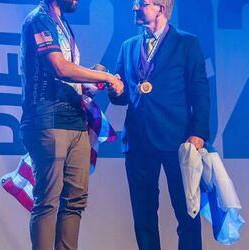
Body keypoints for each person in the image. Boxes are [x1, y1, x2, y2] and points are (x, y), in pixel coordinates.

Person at [19, 0, 123, 249]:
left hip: (76, 121)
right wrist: (105, 76)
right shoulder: (39, 19)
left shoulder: (62, 23)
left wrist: (90, 84)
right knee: (47, 201)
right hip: (47, 119)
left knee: (75, 200)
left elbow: (69, 77)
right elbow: (60, 68)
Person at [108, 0, 210, 250]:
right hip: (138, 139)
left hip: (178, 139)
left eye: (140, 3)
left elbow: (200, 91)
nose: (134, 8)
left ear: (160, 8)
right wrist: (116, 89)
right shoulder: (128, 46)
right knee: (143, 216)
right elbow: (120, 97)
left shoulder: (187, 43)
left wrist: (198, 133)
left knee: (187, 213)